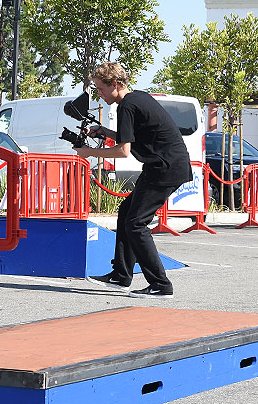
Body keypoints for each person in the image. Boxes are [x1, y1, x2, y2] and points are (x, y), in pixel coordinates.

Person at [75, 62, 190, 298]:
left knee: (136, 223)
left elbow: (123, 151)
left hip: (164, 167)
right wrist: (106, 133)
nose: (99, 94)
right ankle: (121, 275)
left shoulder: (126, 106)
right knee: (127, 211)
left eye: (100, 88)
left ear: (115, 84)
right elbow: (132, 139)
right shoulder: (136, 99)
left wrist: (89, 152)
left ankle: (160, 284)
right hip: (164, 164)